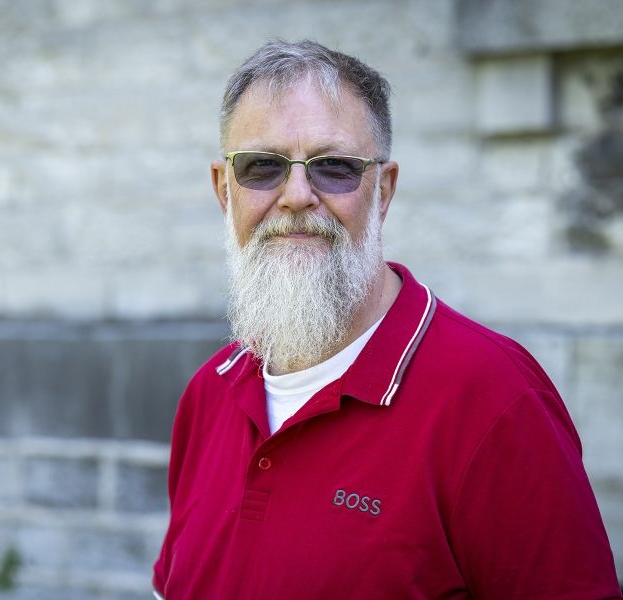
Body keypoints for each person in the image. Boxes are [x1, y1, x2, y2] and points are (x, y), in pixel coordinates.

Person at [152, 40, 620, 599]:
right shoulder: (208, 394)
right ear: (224, 190)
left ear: (384, 191)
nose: (297, 195)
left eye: (334, 167)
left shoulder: (495, 398)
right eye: (262, 167)